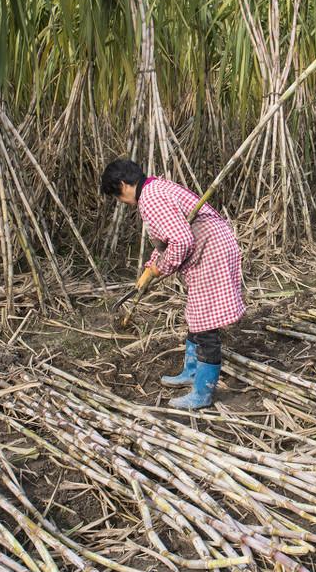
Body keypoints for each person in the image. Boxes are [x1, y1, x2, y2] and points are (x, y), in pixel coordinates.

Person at [100, 159, 245, 409]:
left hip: (211, 253)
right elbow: (170, 238)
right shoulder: (156, 188)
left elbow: (180, 241)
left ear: (122, 185)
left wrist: (162, 267)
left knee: (205, 323)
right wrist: (149, 269)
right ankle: (191, 371)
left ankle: (203, 393)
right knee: (196, 315)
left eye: (116, 196)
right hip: (212, 247)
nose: (120, 202)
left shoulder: (151, 199)